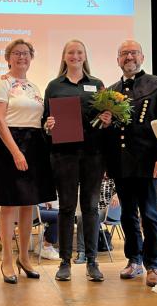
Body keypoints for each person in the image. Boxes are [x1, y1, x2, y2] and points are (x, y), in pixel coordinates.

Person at [105, 39, 157, 287]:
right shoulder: (111, 91)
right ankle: (133, 260)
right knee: (127, 215)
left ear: (142, 57)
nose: (129, 57)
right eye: (124, 54)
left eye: (133, 53)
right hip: (121, 163)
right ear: (118, 60)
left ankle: (153, 265)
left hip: (148, 162)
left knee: (149, 213)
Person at [44, 39, 112, 282]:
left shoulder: (97, 85)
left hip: (94, 155)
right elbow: (46, 123)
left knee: (91, 209)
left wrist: (107, 119)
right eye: (70, 52)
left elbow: (107, 123)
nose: (75, 56)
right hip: (64, 156)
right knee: (66, 208)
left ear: (85, 56)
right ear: (64, 57)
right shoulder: (54, 86)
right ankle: (65, 263)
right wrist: (49, 125)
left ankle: (92, 262)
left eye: (79, 52)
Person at [0, 39, 56, 284]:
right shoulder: (2, 83)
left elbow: (35, 119)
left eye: (26, 53)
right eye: (16, 53)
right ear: (8, 57)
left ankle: (24, 258)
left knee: (29, 204)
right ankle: (7, 260)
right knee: (9, 205)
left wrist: (47, 126)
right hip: (10, 144)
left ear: (31, 58)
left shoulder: (33, 87)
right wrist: (16, 152)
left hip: (35, 144)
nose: (22, 57)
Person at [74, 175, 119, 263]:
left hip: (107, 210)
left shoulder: (113, 180)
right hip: (92, 209)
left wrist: (117, 195)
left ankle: (83, 252)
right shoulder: (94, 178)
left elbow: (123, 190)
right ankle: (84, 251)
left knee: (83, 218)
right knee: (81, 217)